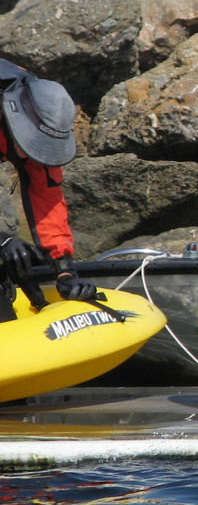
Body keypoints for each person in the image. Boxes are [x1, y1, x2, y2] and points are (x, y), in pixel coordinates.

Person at [0, 59, 95, 319]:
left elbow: (47, 195)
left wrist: (64, 269)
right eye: (30, 142)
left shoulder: (40, 106)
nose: (31, 152)